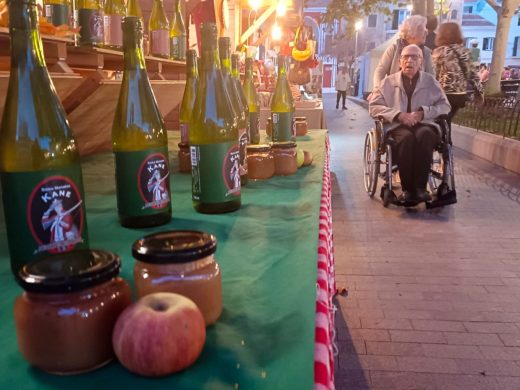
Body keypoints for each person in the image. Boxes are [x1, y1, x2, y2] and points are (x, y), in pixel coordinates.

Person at [369, 44, 451, 204]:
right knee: (406, 139)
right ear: (399, 61)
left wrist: (423, 113)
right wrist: (398, 115)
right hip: (397, 126)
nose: (410, 60)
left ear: (421, 62)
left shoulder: (430, 81)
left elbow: (445, 105)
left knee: (425, 136)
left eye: (415, 57)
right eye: (406, 57)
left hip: (425, 124)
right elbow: (374, 106)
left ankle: (420, 189)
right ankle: (408, 190)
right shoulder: (387, 82)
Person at [431, 22, 483, 127]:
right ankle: (446, 140)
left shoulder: (439, 52)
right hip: (460, 95)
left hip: (443, 94)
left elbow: (432, 74)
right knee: (447, 119)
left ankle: (443, 141)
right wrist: (480, 93)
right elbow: (473, 75)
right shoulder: (465, 51)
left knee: (440, 120)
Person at [373, 15, 434, 90]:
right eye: (422, 29)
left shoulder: (426, 52)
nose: (426, 32)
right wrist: (378, 90)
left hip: (419, 97)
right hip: (394, 95)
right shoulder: (394, 50)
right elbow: (380, 71)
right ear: (412, 31)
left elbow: (431, 77)